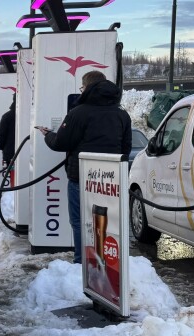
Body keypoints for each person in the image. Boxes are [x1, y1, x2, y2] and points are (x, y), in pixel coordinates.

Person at [40, 70, 131, 264]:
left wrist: (47, 134)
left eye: (81, 87)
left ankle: (82, 264)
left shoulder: (78, 112)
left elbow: (60, 143)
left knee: (80, 222)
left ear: (87, 88)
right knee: (109, 225)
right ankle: (106, 263)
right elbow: (126, 148)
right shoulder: (122, 114)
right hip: (110, 181)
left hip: (80, 178)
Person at [0, 96, 17, 204]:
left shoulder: (7, 116)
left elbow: (1, 135)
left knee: (12, 179)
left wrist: (3, 147)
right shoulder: (26, 115)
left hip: (9, 154)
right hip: (24, 154)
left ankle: (12, 202)